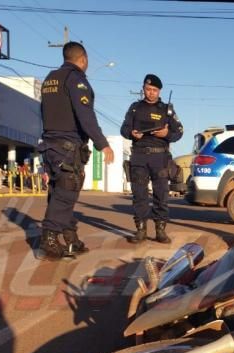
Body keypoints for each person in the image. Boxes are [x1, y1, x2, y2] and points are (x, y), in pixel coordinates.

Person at [37, 41, 114, 260]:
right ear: (84, 59)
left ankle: (70, 237)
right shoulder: (76, 79)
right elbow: (85, 114)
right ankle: (49, 239)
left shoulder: (50, 78)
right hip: (67, 146)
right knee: (66, 193)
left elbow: (43, 110)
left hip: (50, 145)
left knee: (60, 193)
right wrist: (102, 143)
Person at [120, 74, 183, 244]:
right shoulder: (135, 108)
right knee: (139, 194)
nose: (151, 93)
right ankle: (140, 229)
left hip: (160, 156)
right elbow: (124, 129)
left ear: (159, 91)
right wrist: (131, 133)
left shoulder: (166, 109)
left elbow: (179, 132)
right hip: (139, 155)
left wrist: (166, 134)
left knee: (161, 194)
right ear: (143, 89)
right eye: (148, 89)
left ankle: (160, 230)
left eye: (154, 90)